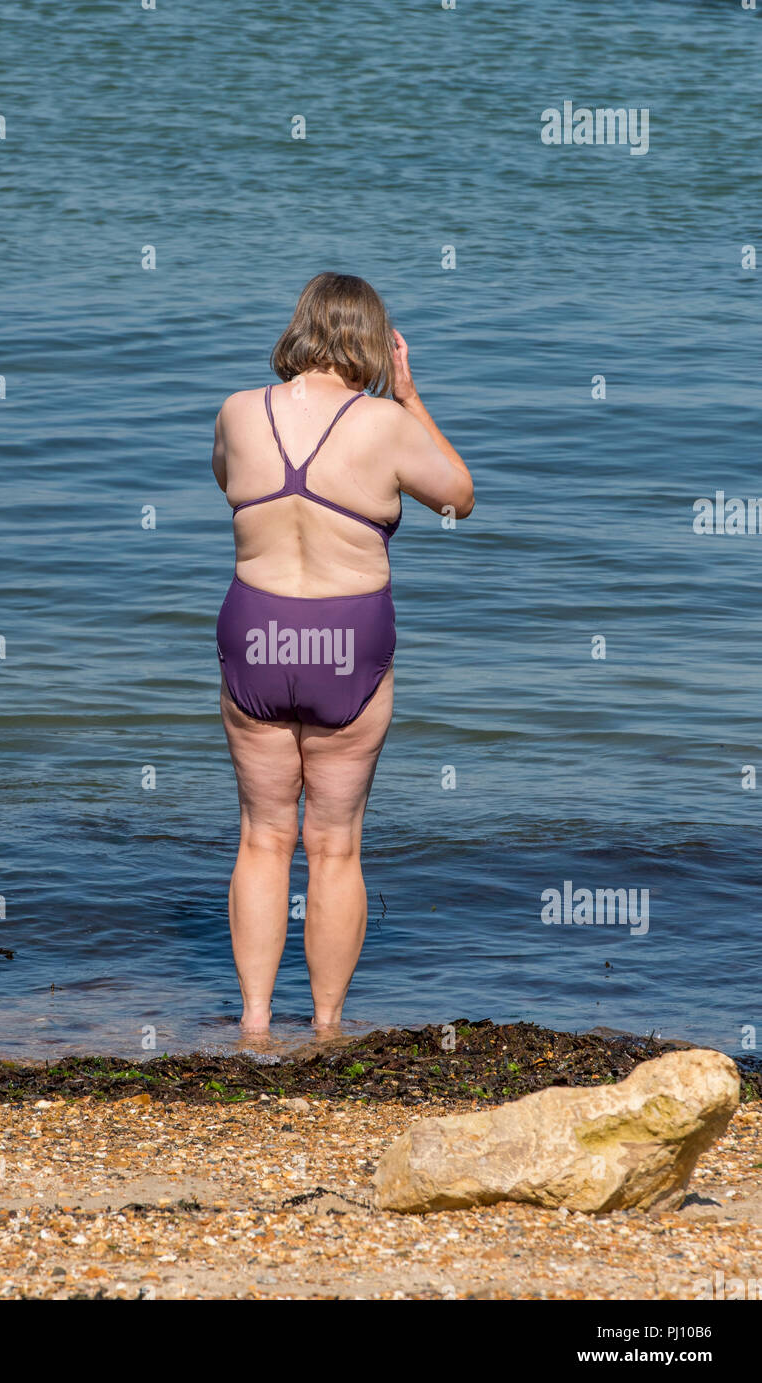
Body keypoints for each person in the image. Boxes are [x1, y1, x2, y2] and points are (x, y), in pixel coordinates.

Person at [212, 271, 474, 1037]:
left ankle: (255, 1026)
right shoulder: (385, 425)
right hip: (348, 641)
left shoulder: (237, 411)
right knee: (334, 843)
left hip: (256, 631)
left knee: (263, 835)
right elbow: (458, 497)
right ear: (373, 342)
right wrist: (410, 400)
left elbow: (227, 481)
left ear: (300, 330)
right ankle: (327, 1028)